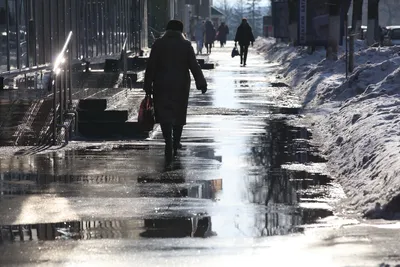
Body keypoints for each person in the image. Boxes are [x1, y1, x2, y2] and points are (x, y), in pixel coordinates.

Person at [143, 20, 208, 161]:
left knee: (164, 112)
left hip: (161, 84)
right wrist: (201, 83)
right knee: (178, 113)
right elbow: (194, 66)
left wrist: (147, 84)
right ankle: (176, 141)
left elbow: (151, 66)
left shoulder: (158, 44)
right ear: (180, 31)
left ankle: (168, 140)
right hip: (181, 85)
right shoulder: (185, 45)